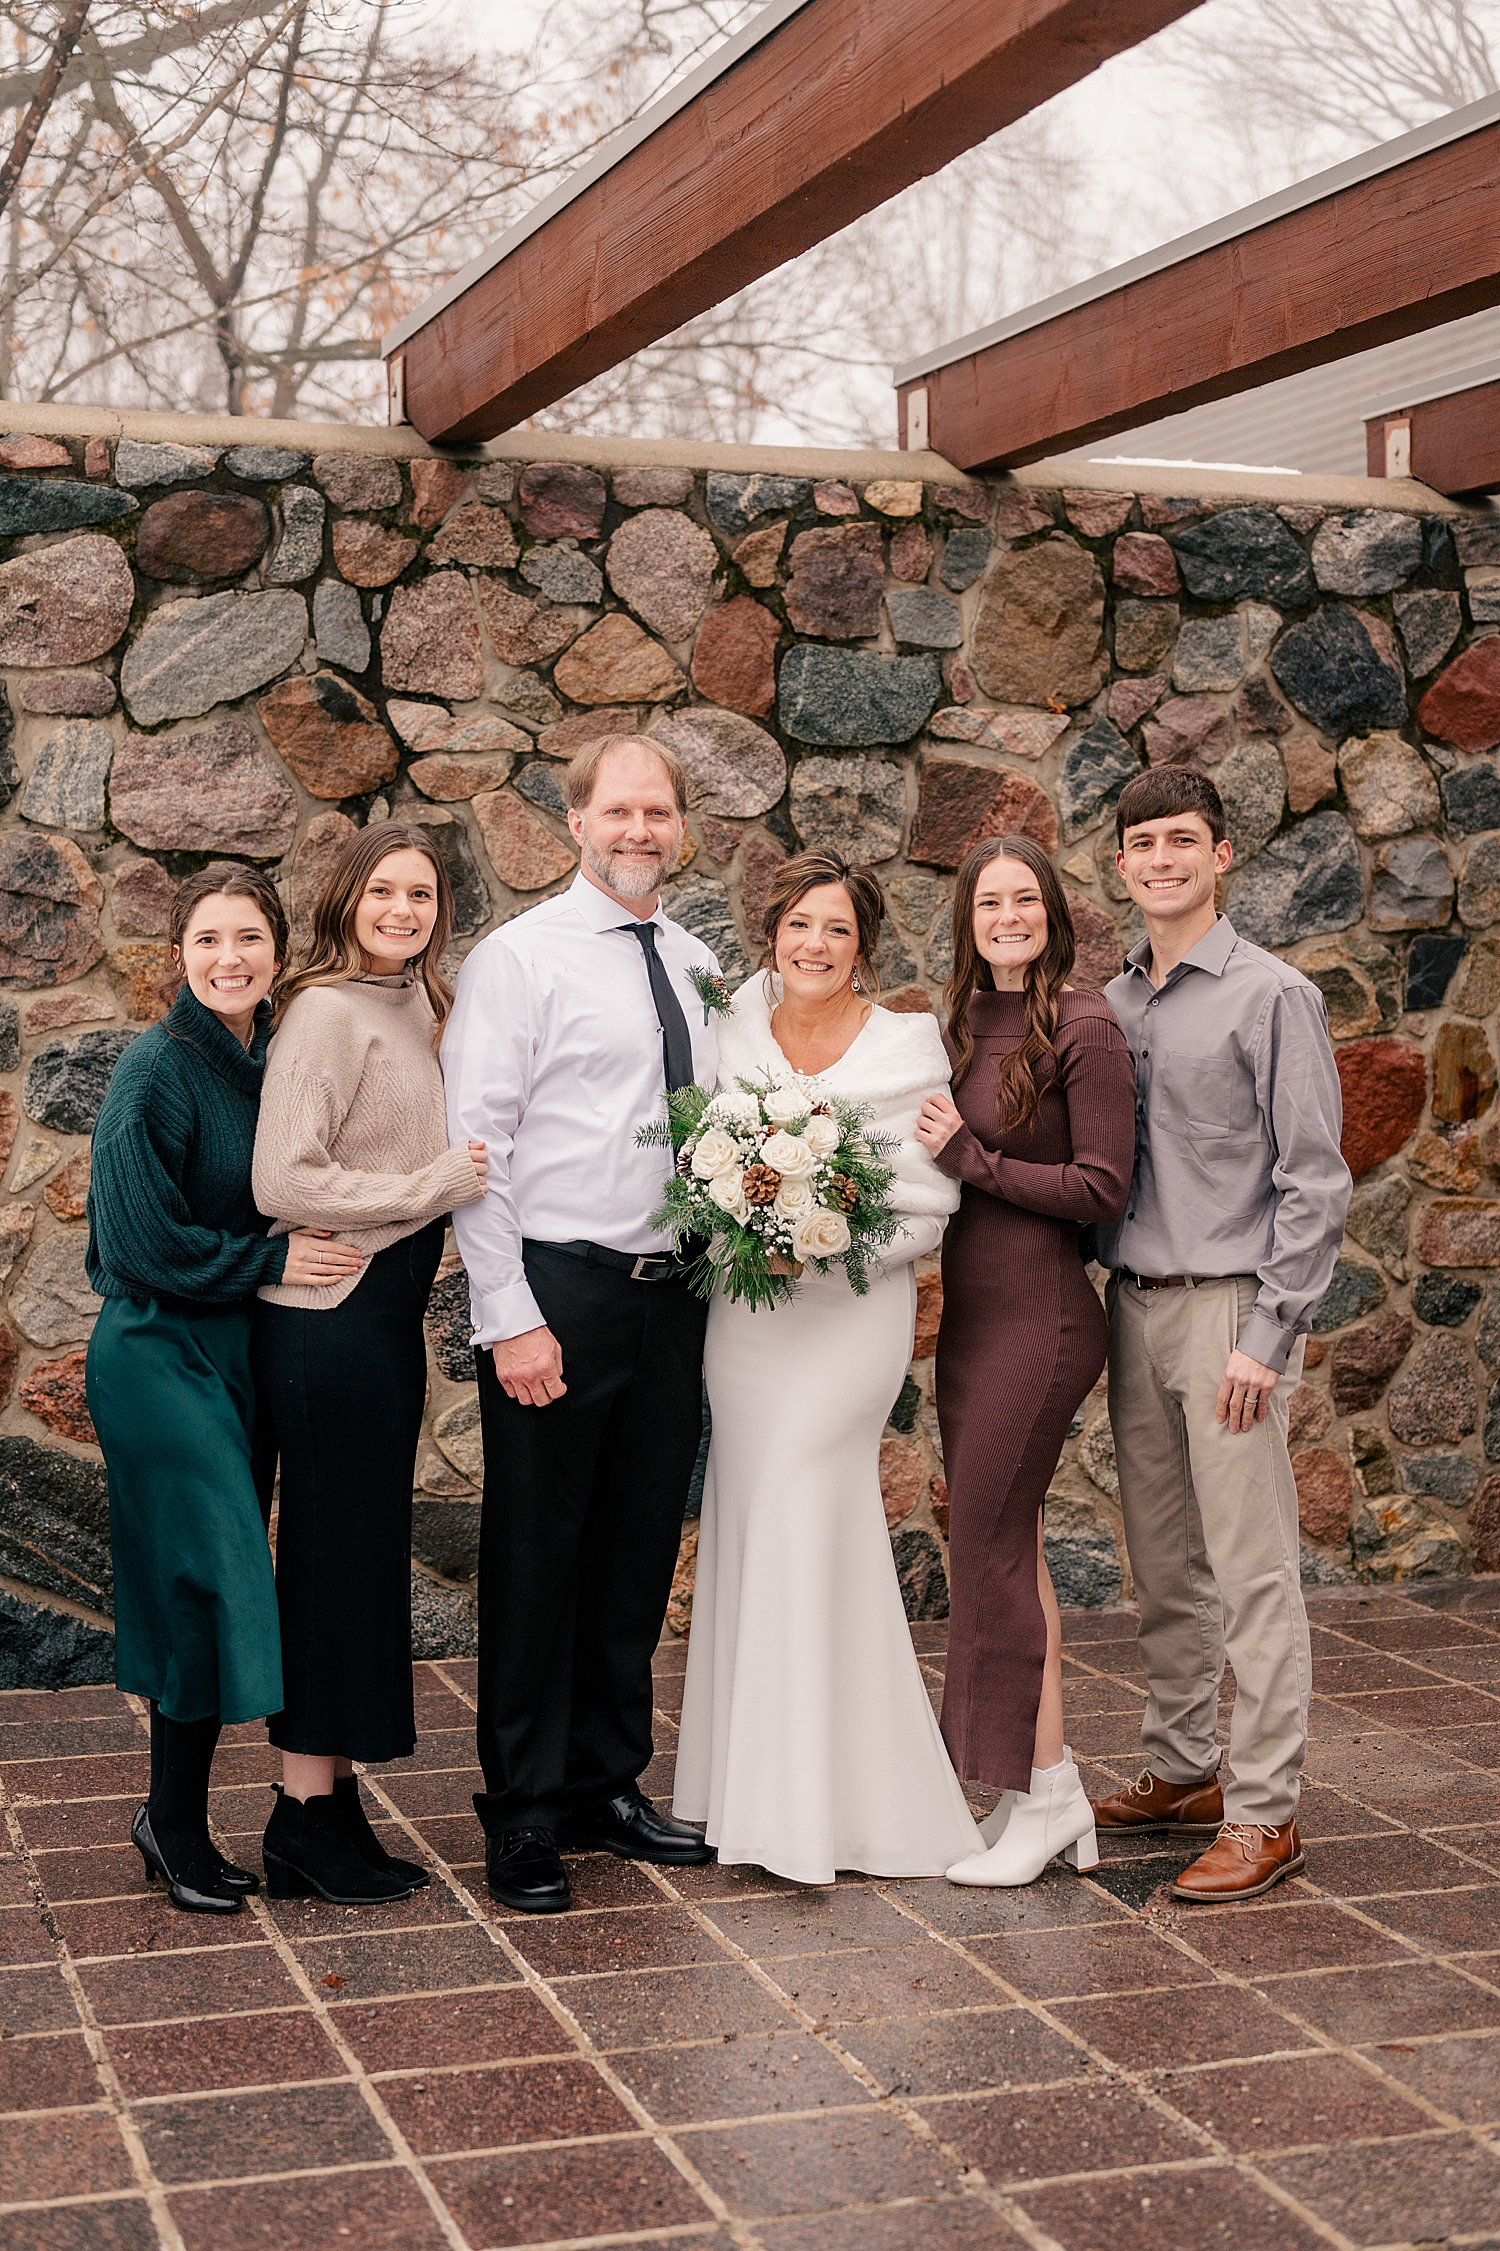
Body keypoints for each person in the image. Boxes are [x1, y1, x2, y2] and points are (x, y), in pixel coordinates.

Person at [442, 736, 720, 1915]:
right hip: (561, 1290)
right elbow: (478, 1149)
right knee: (536, 1558)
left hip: (676, 1297)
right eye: (620, 810)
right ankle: (521, 1815)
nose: (639, 829)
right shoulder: (520, 959)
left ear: (681, 825)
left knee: (634, 1553)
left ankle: (607, 1782)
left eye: (658, 810)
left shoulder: (700, 963)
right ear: (577, 823)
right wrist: (509, 1316)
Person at [673, 848, 983, 1885]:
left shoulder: (906, 1047)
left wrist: (817, 1240)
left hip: (849, 1319)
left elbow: (927, 1205)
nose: (815, 944)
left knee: (808, 1504)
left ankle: (811, 1813)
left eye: (838, 929)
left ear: (865, 946)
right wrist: (740, 1231)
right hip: (748, 1321)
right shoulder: (732, 1026)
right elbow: (693, 1161)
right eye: (801, 924)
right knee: (760, 1522)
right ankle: (743, 1795)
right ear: (774, 932)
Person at [1089, 767, 1351, 1902]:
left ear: (1223, 853)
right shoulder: (1113, 1000)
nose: (1162, 858)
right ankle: (1183, 1765)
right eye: (1143, 842)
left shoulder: (1271, 995)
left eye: (1182, 839)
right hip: (1133, 1306)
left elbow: (1315, 1180)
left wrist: (1269, 1331)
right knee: (1162, 1561)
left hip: (1230, 1313)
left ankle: (1263, 1810)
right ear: (1121, 864)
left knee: (1251, 1569)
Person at [86, 866, 363, 1914]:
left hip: (236, 1356)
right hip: (157, 1353)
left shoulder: (273, 1062)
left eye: (249, 938)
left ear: (278, 954)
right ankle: (176, 1819)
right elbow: (134, 1240)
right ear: (177, 957)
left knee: (197, 1581)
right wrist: (269, 1262)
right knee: (211, 1569)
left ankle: (174, 1817)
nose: (229, 957)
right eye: (208, 940)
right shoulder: (154, 1069)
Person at [252, 825, 487, 1905]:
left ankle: (333, 1804)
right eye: (385, 890)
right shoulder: (323, 1011)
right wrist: (429, 1186)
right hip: (328, 1315)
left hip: (381, 1311)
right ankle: (302, 1810)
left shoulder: (419, 1007)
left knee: (358, 1554)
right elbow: (283, 1180)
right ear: (347, 899)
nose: (404, 909)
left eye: (423, 894)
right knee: (327, 1559)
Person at [914, 837, 1136, 1887]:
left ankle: (1042, 1794)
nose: (1008, 915)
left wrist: (974, 1157)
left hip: (1042, 1322)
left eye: (1025, 899)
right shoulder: (965, 1025)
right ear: (969, 918)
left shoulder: (1084, 1024)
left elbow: (1101, 1188)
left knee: (987, 1547)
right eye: (989, 901)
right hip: (971, 1321)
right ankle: (1047, 1788)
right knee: (1015, 1549)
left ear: (1054, 909)